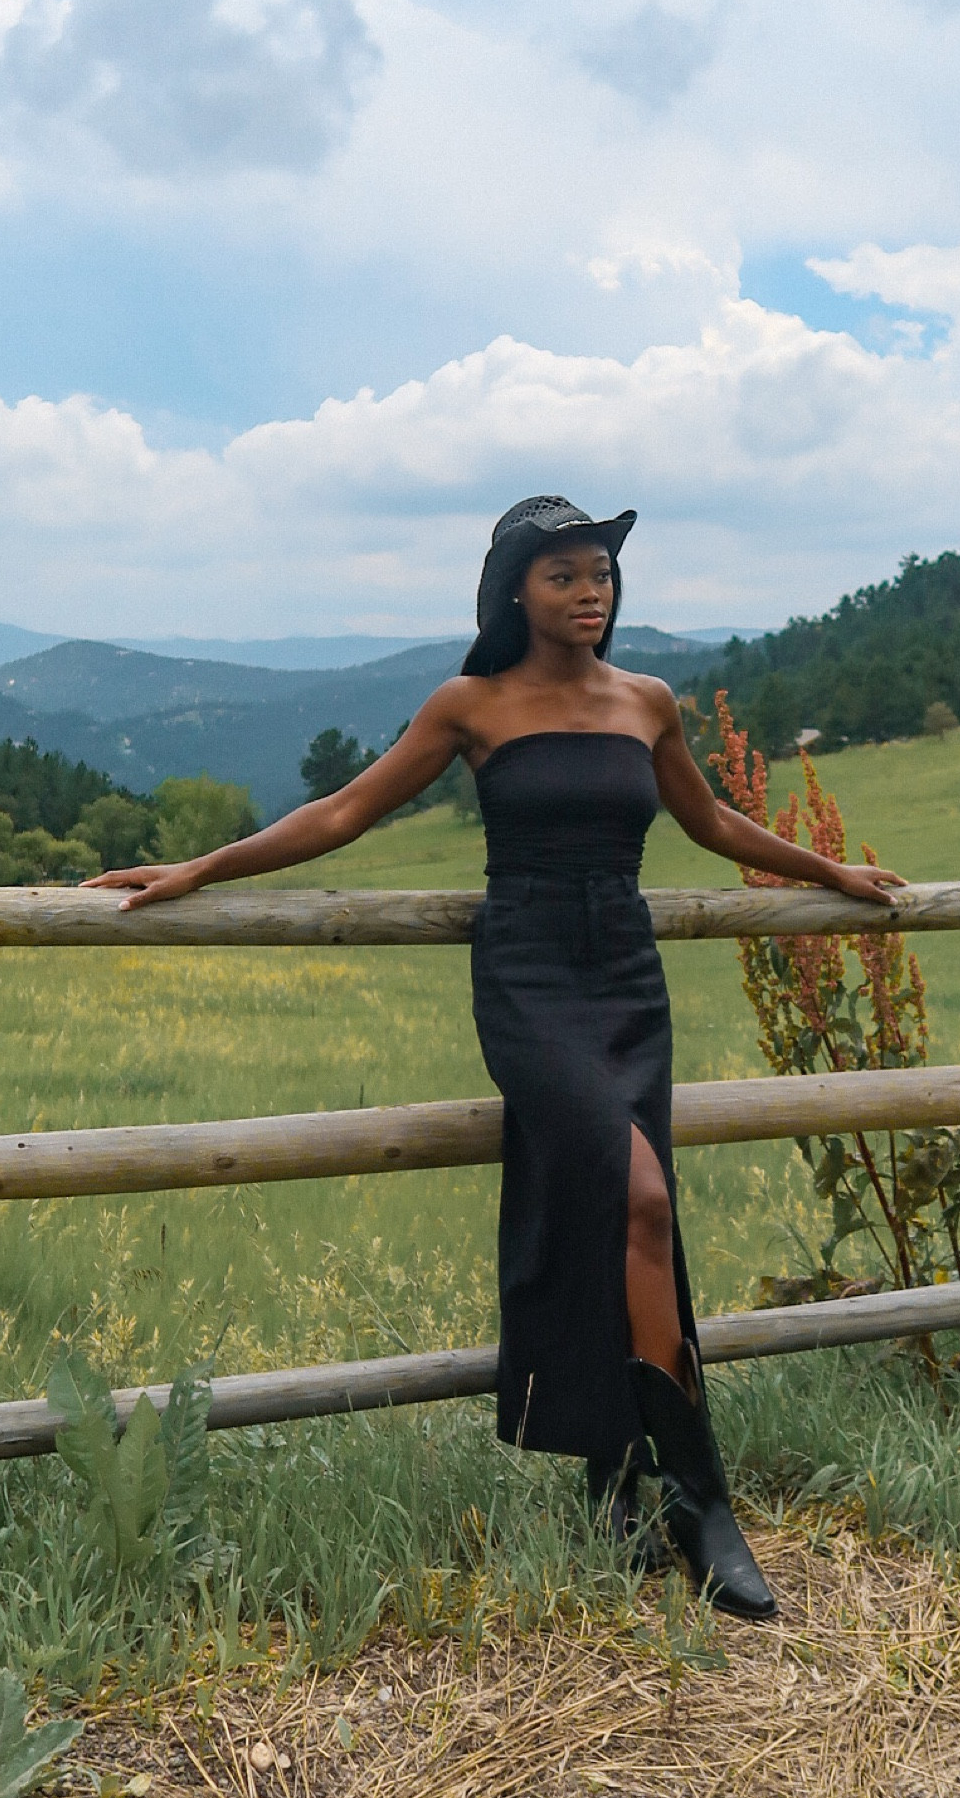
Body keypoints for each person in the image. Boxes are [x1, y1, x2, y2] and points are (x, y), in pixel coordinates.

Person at [85, 496, 905, 1619]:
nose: (589, 592)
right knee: (638, 1198)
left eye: (600, 573)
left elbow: (711, 823)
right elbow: (343, 812)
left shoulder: (648, 701)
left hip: (625, 973)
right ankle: (701, 1497)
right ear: (516, 590)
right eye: (564, 575)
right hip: (528, 975)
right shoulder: (468, 704)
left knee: (613, 1213)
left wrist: (828, 871)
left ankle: (626, 1480)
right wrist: (200, 867)